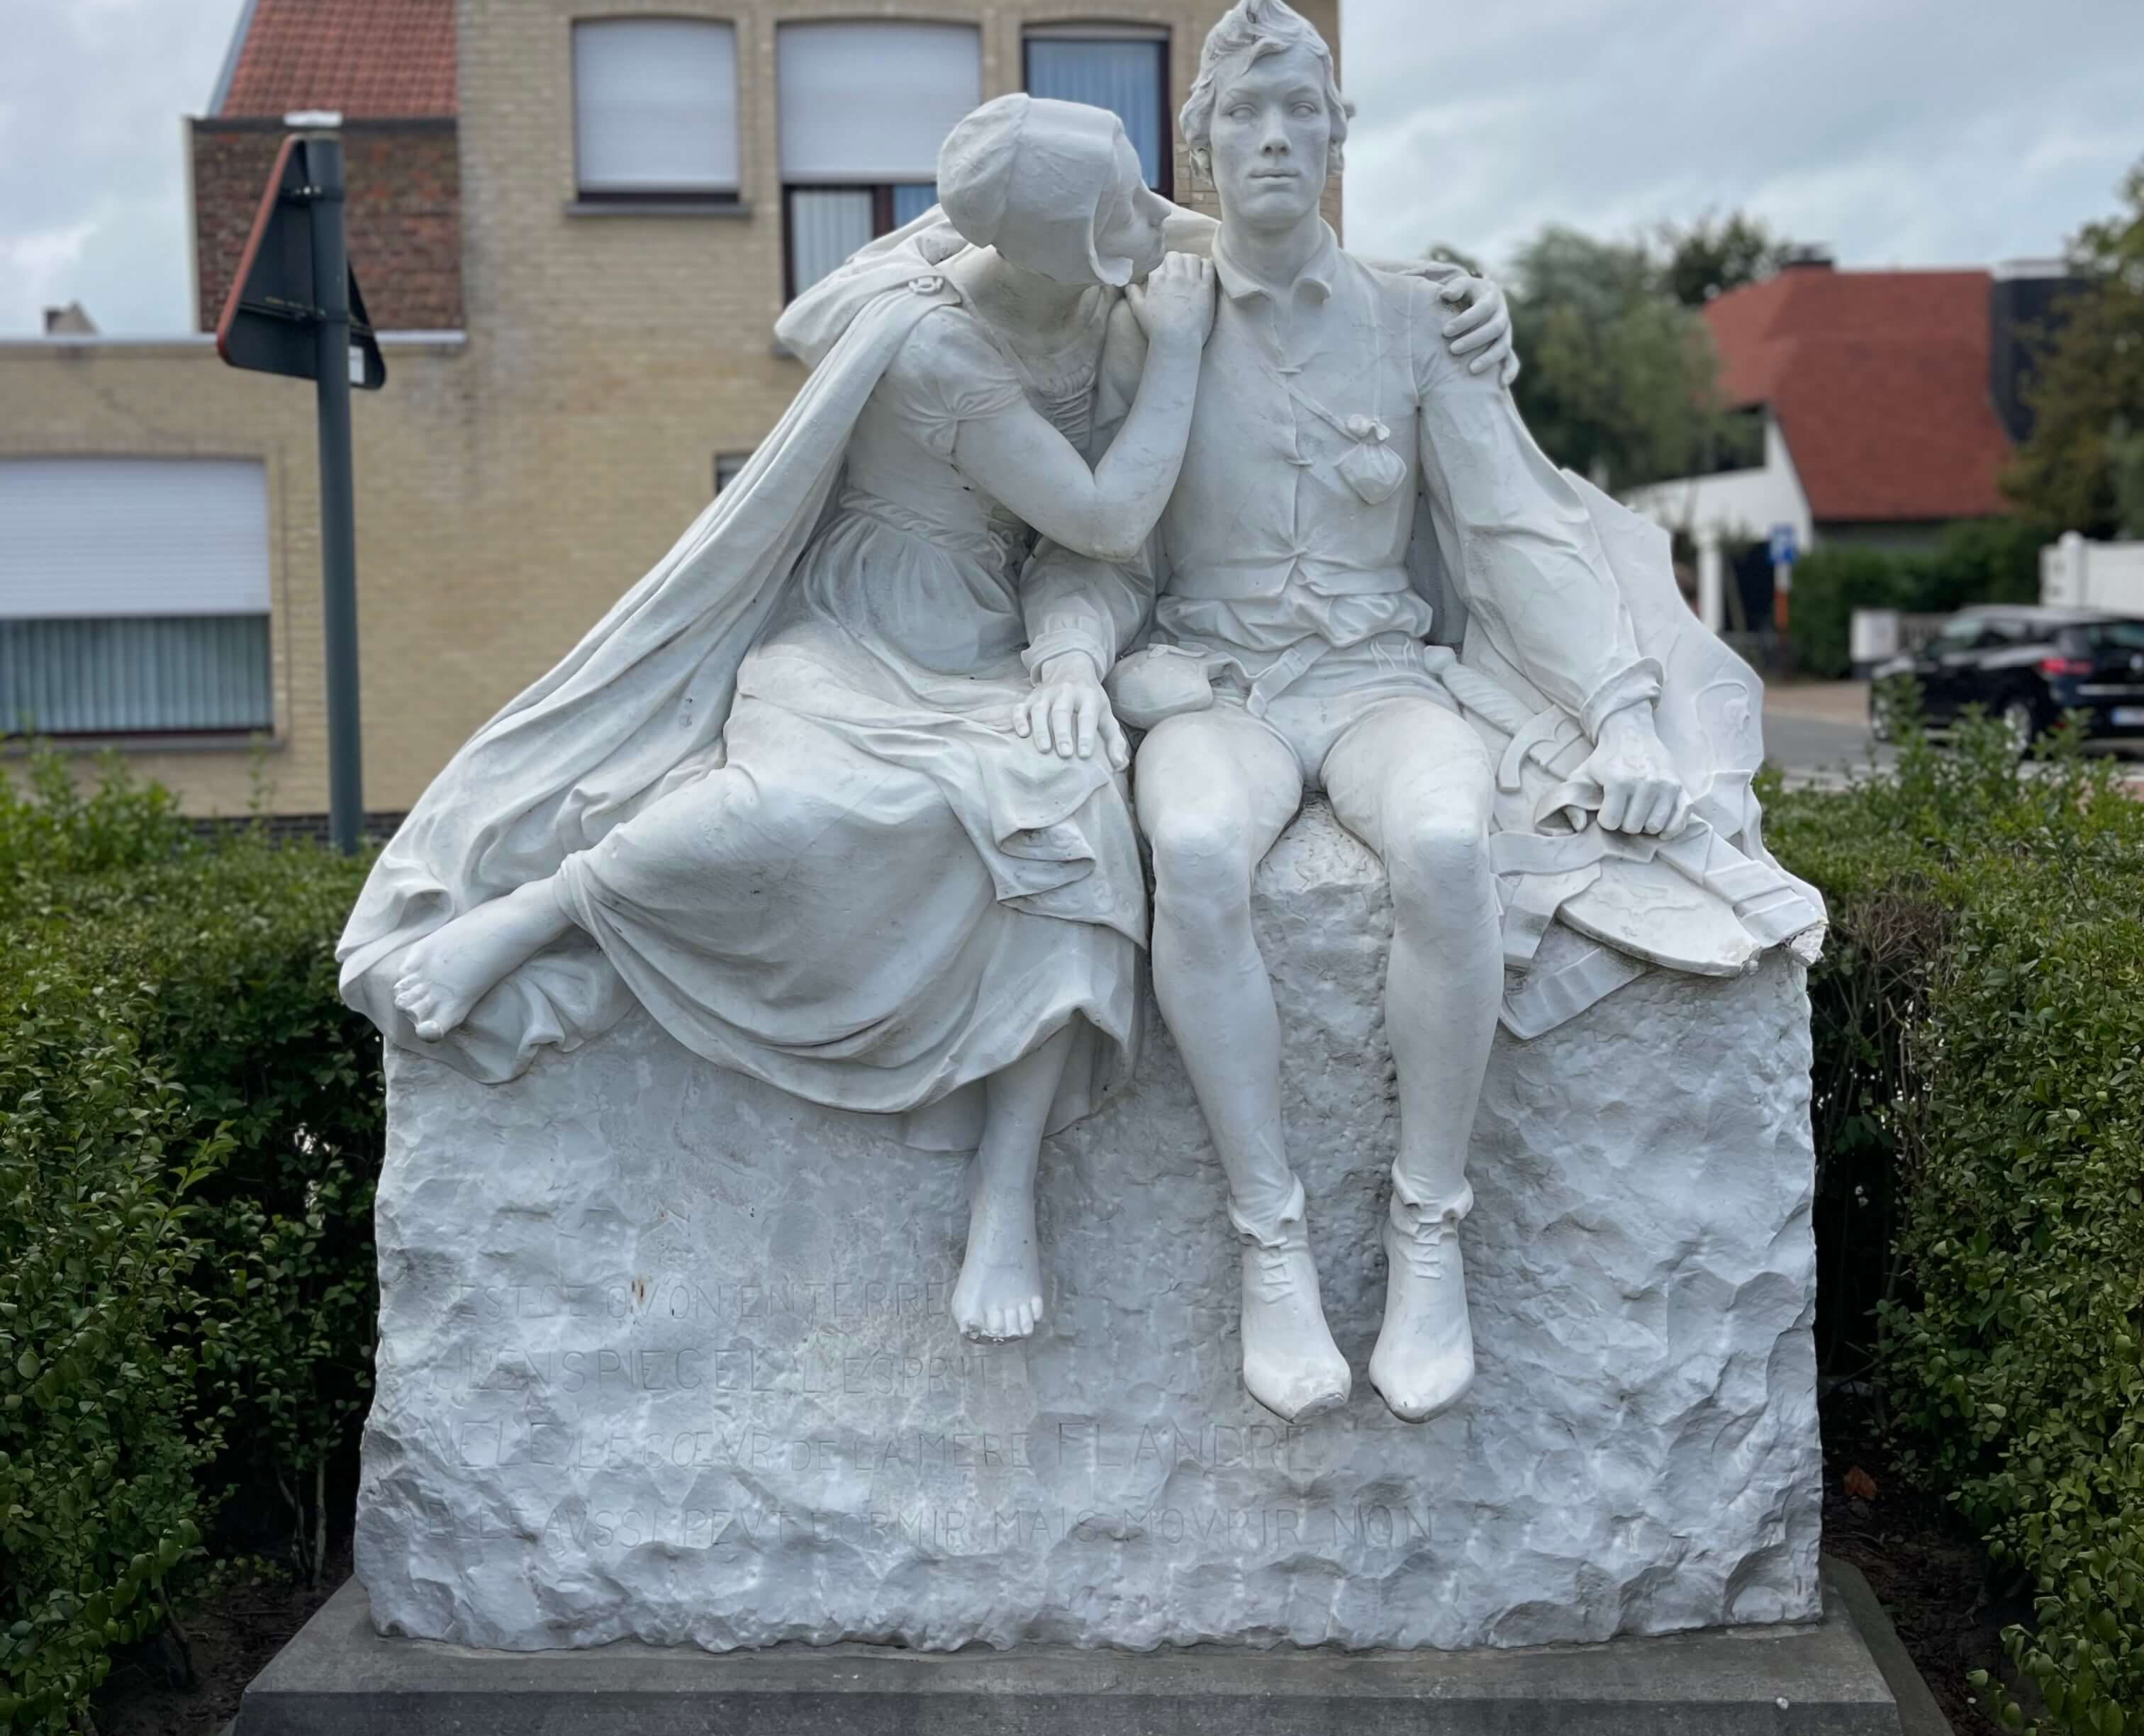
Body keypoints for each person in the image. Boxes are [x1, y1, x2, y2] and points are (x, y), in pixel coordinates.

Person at [342, 89, 1518, 1350]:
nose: (1153, 218)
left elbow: (1240, 251)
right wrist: (1177, 354)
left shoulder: (1088, 264)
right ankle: (548, 906)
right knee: (771, 812)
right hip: (867, 634)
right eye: (1118, 209)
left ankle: (1006, 1188)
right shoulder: (937, 339)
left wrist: (1448, 298)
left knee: (1070, 825)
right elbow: (1107, 520)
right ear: (1051, 246)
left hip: (991, 642)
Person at [1022, 0, 1817, 1426]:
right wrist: (1075, 656)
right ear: (1202, 146)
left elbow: (1511, 529)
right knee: (1193, 849)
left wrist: (1623, 708)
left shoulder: (1416, 319)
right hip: (1220, 682)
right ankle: (1270, 1240)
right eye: (1244, 113)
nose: (1274, 136)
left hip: (1382, 680)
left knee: (1452, 846)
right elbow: (1099, 541)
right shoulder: (1152, 324)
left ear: (1339, 137)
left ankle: (1428, 1225)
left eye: (1300, 110)